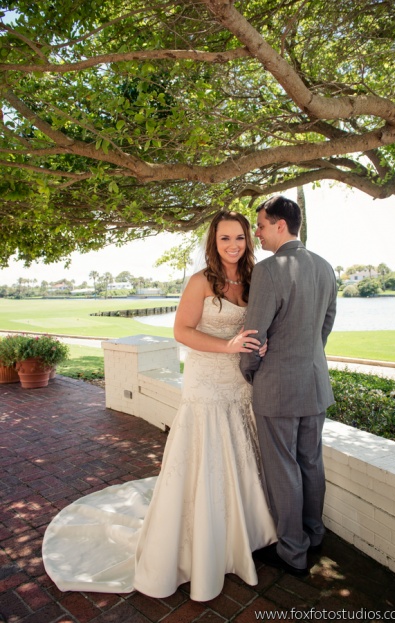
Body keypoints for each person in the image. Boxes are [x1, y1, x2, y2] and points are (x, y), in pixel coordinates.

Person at [42, 210, 277, 602]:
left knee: (238, 453)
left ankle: (241, 534)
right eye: (225, 239)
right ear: (213, 242)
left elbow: (253, 329)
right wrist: (227, 346)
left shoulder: (254, 279)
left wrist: (258, 343)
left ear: (248, 240)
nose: (233, 245)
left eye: (239, 238)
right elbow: (181, 331)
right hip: (205, 382)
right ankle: (202, 541)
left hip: (239, 383)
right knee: (206, 456)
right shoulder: (201, 281)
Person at [240, 195, 337, 577]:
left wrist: (251, 371)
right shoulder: (326, 267)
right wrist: (307, 357)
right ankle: (314, 534)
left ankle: (292, 552)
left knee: (283, 468)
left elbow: (253, 337)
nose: (257, 234)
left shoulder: (269, 271)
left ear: (281, 225)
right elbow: (324, 326)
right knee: (311, 462)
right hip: (313, 384)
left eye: (261, 225)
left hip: (277, 388)